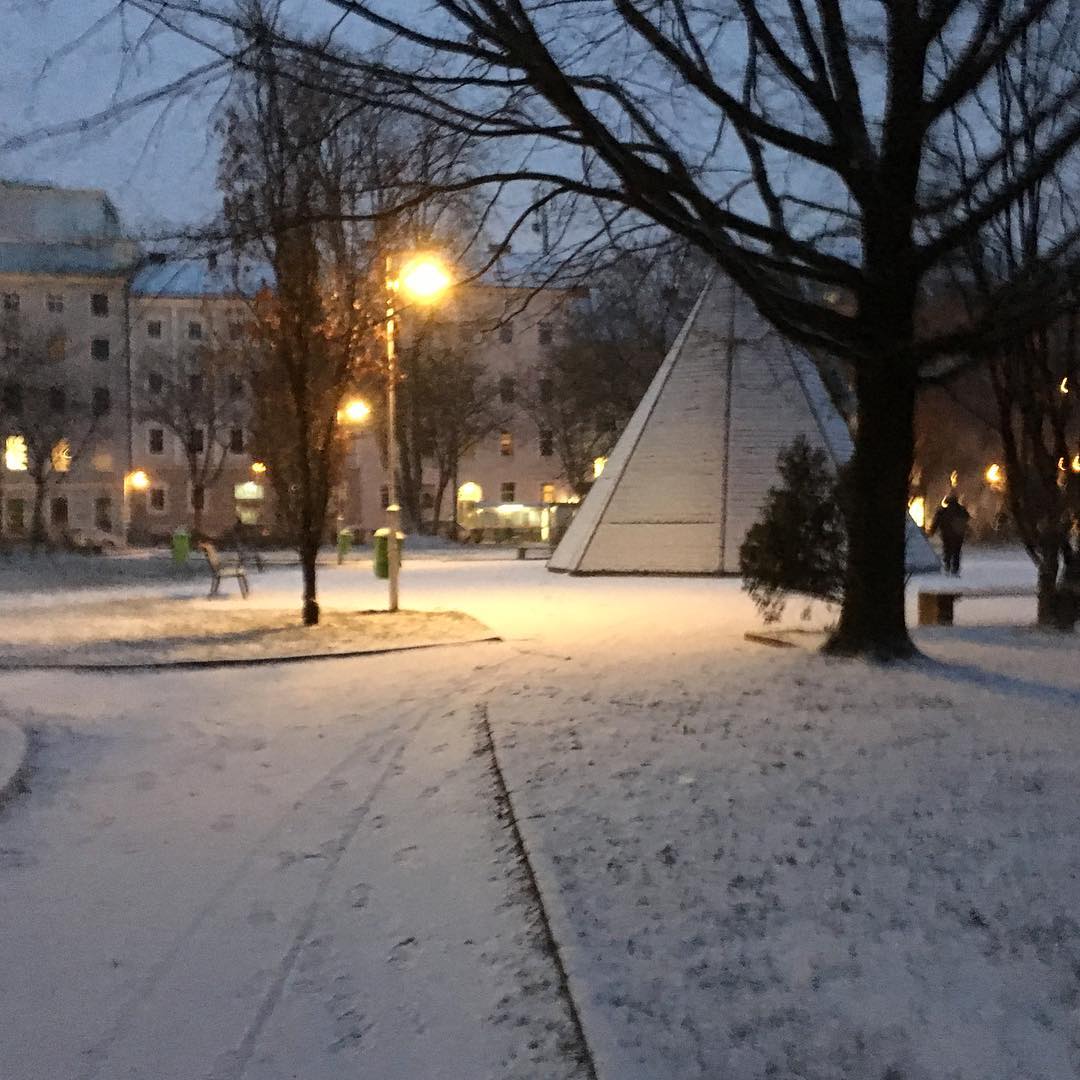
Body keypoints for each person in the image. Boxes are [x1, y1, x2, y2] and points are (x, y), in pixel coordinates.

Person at [930, 494, 971, 575]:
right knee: (956, 552)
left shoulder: (942, 511)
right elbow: (966, 519)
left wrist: (932, 531)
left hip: (947, 535)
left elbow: (936, 522)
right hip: (958, 535)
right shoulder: (961, 510)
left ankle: (947, 566)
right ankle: (955, 569)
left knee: (947, 551)